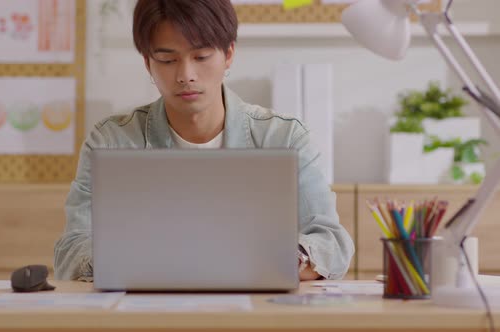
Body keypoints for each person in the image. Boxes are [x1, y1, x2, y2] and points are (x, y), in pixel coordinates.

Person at [54, 0, 354, 282]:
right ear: (148, 63)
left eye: (201, 57)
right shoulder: (111, 141)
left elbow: (332, 241)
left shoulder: (284, 137)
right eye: (168, 59)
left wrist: (290, 259)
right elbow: (71, 251)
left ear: (229, 55)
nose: (186, 75)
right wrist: (135, 260)